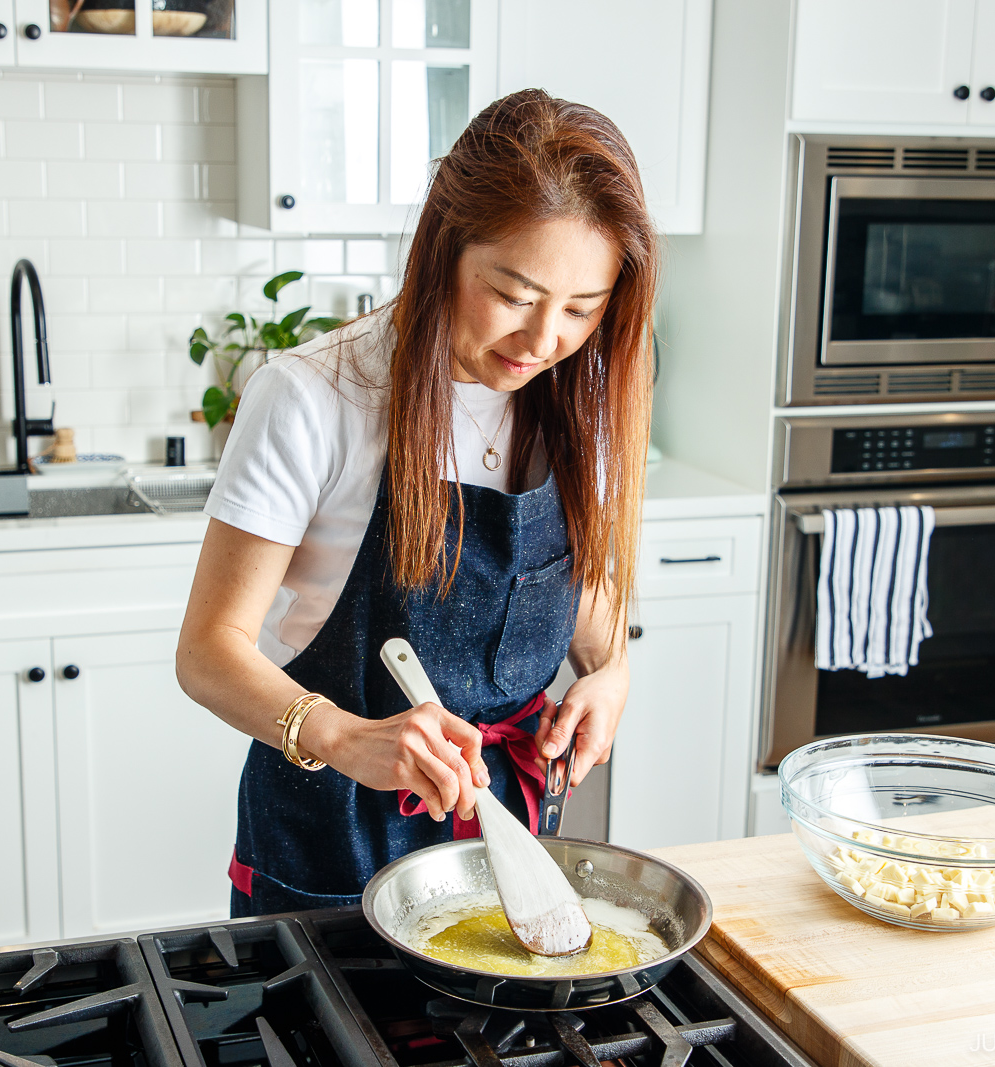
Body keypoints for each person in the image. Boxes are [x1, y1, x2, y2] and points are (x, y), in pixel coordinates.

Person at [176, 89, 658, 917]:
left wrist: (611, 671)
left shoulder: (582, 396)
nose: (543, 341)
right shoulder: (313, 397)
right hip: (331, 841)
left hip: (506, 835)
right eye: (513, 293)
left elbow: (580, 589)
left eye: (582, 309)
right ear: (445, 249)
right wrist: (345, 737)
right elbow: (207, 652)